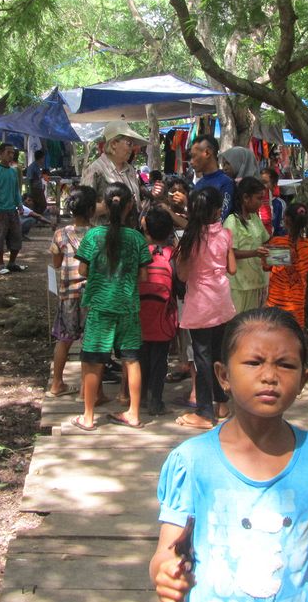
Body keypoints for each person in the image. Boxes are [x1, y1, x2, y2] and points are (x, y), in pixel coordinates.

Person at [150, 307, 308, 602]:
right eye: (253, 362)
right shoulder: (192, 460)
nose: (269, 376)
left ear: (304, 379)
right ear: (222, 375)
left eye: (285, 365)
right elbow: (166, 550)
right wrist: (165, 572)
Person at [72, 183, 152, 431]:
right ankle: (134, 413)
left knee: (94, 359)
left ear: (104, 206)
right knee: (131, 359)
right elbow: (145, 276)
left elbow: (82, 269)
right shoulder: (137, 238)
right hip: (127, 306)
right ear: (129, 206)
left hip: (99, 306)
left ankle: (87, 417)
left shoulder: (93, 236)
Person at [173, 187, 237, 430]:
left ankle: (204, 412)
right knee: (218, 355)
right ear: (218, 210)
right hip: (221, 300)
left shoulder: (189, 239)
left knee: (202, 358)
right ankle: (221, 403)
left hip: (200, 303)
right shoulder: (226, 235)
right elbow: (232, 269)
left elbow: (183, 274)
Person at [46, 186, 95, 398]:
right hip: (91, 294)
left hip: (68, 295)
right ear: (93, 209)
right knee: (90, 342)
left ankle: (57, 383)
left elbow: (56, 264)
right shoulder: (97, 234)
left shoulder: (60, 234)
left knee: (64, 340)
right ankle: (88, 389)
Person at [138, 206, 178, 416]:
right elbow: (179, 288)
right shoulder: (172, 255)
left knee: (142, 357)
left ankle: (142, 397)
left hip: (140, 316)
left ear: (147, 231)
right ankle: (156, 401)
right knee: (159, 361)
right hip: (163, 317)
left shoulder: (140, 252)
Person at [80, 120, 147, 220]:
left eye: (133, 144)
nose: (131, 148)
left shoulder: (131, 170)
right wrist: (106, 207)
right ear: (114, 144)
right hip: (104, 234)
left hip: (129, 232)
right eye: (129, 143)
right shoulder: (96, 170)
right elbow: (82, 208)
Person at [265, 202, 308, 328]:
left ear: (286, 220)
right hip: (297, 302)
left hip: (276, 301)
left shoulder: (277, 242)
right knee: (294, 335)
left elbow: (266, 267)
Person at [223, 176, 270, 312]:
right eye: (258, 198)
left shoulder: (255, 218)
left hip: (256, 282)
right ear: (245, 198)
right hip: (238, 285)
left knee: (251, 323)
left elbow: (266, 240)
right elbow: (230, 253)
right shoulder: (232, 221)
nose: (261, 203)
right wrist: (254, 253)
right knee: (237, 324)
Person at [0, 143, 27, 275]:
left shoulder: (13, 171)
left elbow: (16, 190)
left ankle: (12, 262)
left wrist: (20, 204)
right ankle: (0, 264)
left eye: (12, 153)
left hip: (12, 210)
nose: (11, 155)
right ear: (1, 154)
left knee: (16, 237)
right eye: (8, 152)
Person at [189, 135, 234, 220]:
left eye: (194, 156)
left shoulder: (226, 183)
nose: (191, 162)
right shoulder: (198, 185)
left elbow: (222, 218)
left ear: (207, 153)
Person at [260, 167, 286, 235]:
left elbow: (281, 229)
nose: (261, 185)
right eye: (259, 182)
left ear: (274, 185)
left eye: (265, 182)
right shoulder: (254, 202)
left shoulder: (280, 204)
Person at [25, 149, 48, 214]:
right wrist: (30, 191)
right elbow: (29, 179)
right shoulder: (32, 166)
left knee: (38, 205)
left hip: (38, 188)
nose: (43, 160)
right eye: (43, 158)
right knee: (43, 205)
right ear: (40, 158)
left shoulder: (38, 166)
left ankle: (37, 218)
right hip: (35, 189)